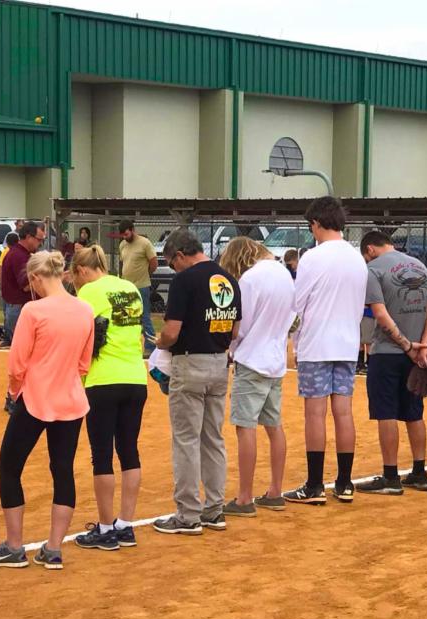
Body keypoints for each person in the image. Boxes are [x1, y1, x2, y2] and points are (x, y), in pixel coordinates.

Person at [0, 251, 94, 570]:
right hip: (71, 399)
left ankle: (14, 546)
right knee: (62, 470)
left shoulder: (33, 310)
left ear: (35, 278)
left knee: (9, 468)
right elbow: (84, 362)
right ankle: (54, 549)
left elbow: (16, 364)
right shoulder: (84, 309)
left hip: (35, 398)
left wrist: (15, 391)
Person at [152, 229, 241, 534]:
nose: (173, 268)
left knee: (186, 439)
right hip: (219, 362)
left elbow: (171, 332)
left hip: (190, 362)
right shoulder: (227, 279)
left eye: (171, 262)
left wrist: (161, 342)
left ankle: (188, 514)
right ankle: (214, 510)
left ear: (179, 255)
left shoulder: (184, 281)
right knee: (213, 438)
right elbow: (234, 331)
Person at [283, 196, 366, 504]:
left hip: (316, 344)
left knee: (315, 414)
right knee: (343, 412)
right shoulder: (356, 257)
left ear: (316, 224)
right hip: (347, 343)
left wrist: (291, 339)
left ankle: (315, 484)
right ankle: (344, 482)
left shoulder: (312, 258)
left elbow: (298, 303)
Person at [69, 245, 149, 550]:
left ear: (82, 270)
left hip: (103, 379)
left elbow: (78, 334)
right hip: (135, 377)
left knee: (101, 455)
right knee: (129, 450)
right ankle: (125, 525)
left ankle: (105, 528)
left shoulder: (89, 292)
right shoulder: (129, 287)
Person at [354, 230, 427, 495]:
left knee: (386, 413)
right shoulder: (421, 266)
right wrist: (423, 345)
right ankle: (420, 472)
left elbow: (380, 314)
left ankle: (391, 476)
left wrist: (406, 345)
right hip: (417, 353)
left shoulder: (374, 269)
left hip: (387, 353)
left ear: (370, 249)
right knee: (414, 412)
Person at [217, 237, 294, 518]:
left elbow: (240, 325)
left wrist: (229, 347)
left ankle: (245, 497)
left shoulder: (249, 279)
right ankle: (275, 491)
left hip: (252, 360)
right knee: (274, 426)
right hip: (275, 360)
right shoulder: (284, 274)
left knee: (245, 427)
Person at [0, 221, 46, 354]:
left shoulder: (20, 253)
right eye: (39, 240)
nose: (40, 243)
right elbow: (26, 286)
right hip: (19, 308)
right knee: (25, 350)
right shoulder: (19, 256)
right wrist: (49, 280)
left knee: (25, 349)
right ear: (29, 237)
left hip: (18, 307)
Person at [118, 220, 158, 355]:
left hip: (142, 286)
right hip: (127, 287)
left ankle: (150, 347)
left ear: (133, 230)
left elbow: (153, 262)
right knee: (127, 318)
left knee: (144, 317)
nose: (125, 237)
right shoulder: (123, 245)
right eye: (123, 235)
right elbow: (123, 262)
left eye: (127, 234)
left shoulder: (145, 243)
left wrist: (146, 274)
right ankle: (129, 345)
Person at [356, 236, 378, 376]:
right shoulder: (361, 275)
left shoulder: (371, 274)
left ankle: (368, 364)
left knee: (368, 340)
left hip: (368, 312)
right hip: (360, 312)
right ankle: (360, 363)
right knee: (360, 339)